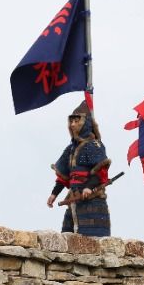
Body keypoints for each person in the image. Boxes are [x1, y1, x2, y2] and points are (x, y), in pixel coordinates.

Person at [47, 101, 112, 237]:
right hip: (74, 200)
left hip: (92, 202)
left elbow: (101, 171)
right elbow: (63, 176)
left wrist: (89, 187)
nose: (73, 125)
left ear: (85, 123)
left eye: (77, 121)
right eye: (71, 122)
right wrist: (54, 194)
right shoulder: (70, 149)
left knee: (94, 241)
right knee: (67, 238)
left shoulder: (95, 145)